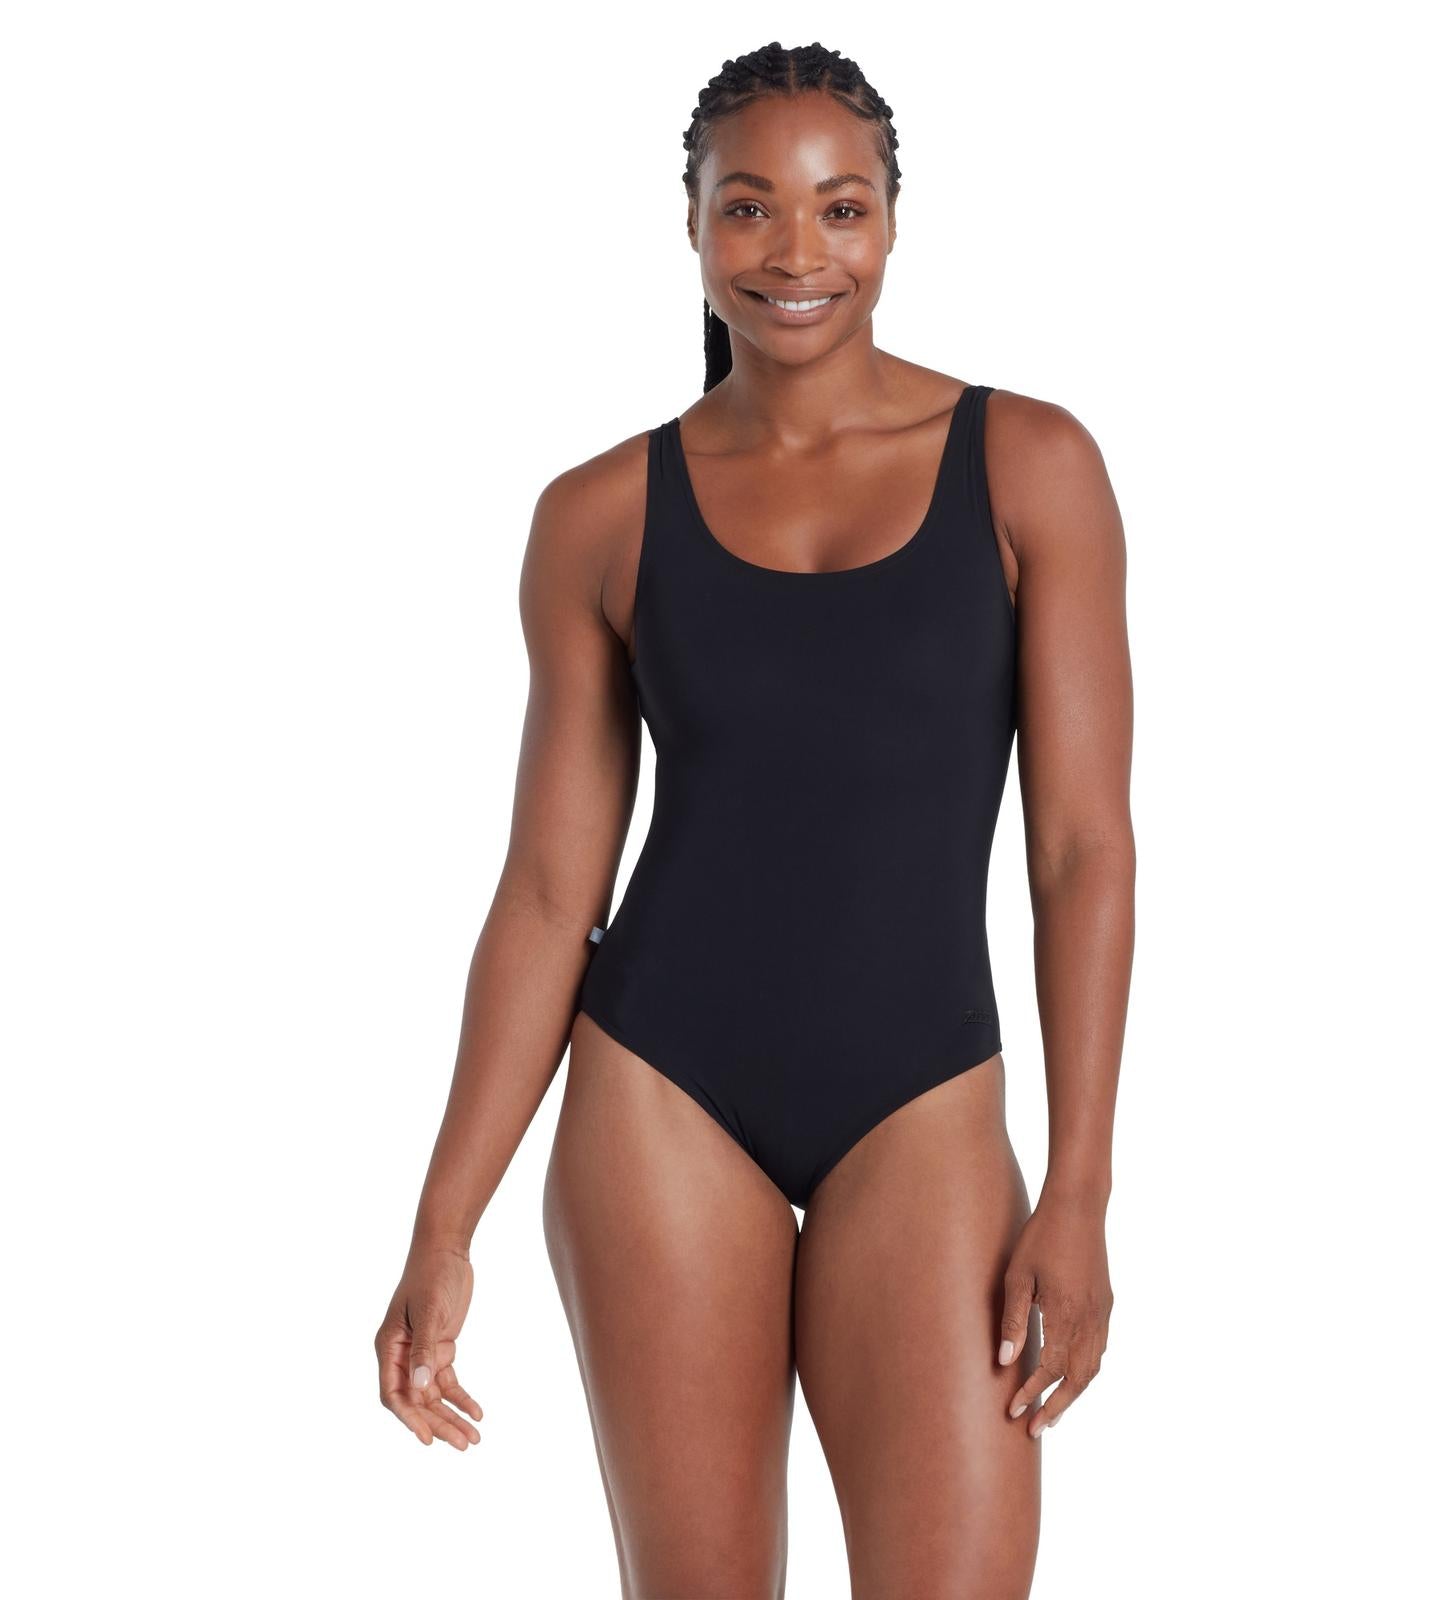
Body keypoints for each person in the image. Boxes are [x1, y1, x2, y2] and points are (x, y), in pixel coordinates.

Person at [375, 39, 1134, 1600]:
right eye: (750, 207)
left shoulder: (1029, 468)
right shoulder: (599, 514)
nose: (797, 254)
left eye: (840, 207)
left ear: (894, 221)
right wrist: (445, 1223)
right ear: (694, 226)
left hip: (925, 1101)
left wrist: (1080, 1187)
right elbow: (548, 894)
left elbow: (1081, 852)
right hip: (662, 1092)